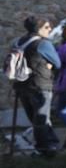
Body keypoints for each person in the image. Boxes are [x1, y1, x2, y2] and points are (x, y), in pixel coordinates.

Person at [10, 16, 61, 156]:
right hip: (40, 85)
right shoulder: (44, 44)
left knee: (36, 119)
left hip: (22, 86)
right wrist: (48, 65)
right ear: (38, 29)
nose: (50, 29)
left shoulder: (17, 42)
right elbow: (58, 63)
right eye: (46, 27)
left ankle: (51, 145)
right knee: (42, 119)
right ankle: (47, 150)